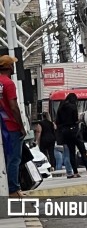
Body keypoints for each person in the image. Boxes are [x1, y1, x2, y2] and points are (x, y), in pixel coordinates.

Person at [0, 54, 27, 197]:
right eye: (12, 64)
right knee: (14, 158)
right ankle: (13, 190)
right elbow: (13, 106)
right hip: (10, 126)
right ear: (9, 67)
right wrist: (21, 126)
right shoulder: (8, 83)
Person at [55, 93, 87, 178]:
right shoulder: (73, 107)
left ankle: (75, 172)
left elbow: (58, 122)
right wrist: (79, 120)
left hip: (65, 132)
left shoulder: (60, 108)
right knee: (82, 151)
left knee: (71, 152)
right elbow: (75, 119)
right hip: (74, 131)